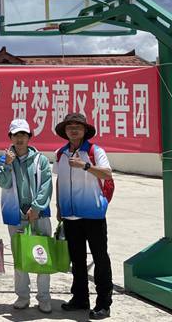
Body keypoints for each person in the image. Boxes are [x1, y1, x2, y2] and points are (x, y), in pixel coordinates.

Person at [53, 112, 113, 320]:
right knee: (77, 260)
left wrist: (85, 165)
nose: (74, 130)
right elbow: (60, 179)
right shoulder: (60, 153)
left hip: (93, 214)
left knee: (100, 258)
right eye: (70, 127)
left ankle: (103, 304)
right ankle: (80, 298)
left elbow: (107, 174)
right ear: (65, 131)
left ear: (85, 130)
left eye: (78, 126)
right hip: (70, 215)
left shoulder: (95, 151)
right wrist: (59, 206)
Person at [0, 119, 53, 314]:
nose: (20, 138)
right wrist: (7, 164)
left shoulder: (40, 160)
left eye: (23, 135)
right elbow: (3, 183)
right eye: (16, 135)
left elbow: (46, 185)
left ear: (29, 137)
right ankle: (22, 296)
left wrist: (36, 208)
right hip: (16, 215)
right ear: (10, 137)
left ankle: (44, 297)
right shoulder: (4, 160)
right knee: (20, 257)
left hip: (39, 215)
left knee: (42, 255)